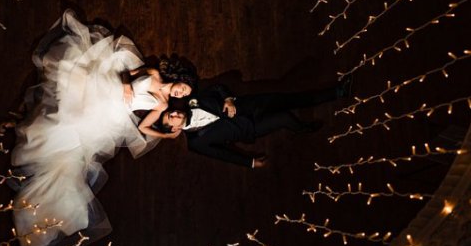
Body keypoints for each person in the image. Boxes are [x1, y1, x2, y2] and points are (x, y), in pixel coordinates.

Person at [10, 10, 196, 246]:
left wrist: (166, 136)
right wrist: (127, 85)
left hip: (115, 113)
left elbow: (142, 128)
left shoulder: (161, 105)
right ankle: (32, 120)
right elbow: (127, 72)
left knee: (73, 137)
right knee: (69, 84)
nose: (180, 93)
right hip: (111, 89)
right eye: (183, 88)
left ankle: (52, 206)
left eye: (183, 95)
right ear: (179, 79)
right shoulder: (154, 74)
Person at [148, 78, 351, 168]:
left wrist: (227, 99)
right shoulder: (195, 143)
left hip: (251, 105)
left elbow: (218, 88)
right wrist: (250, 163)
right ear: (174, 128)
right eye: (171, 117)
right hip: (250, 128)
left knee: (292, 98)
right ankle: (302, 129)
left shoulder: (194, 100)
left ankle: (337, 92)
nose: (175, 113)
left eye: (171, 111)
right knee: (285, 118)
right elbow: (223, 155)